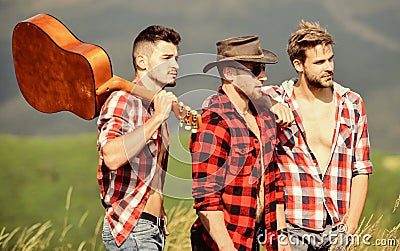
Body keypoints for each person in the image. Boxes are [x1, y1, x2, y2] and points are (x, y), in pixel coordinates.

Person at [262, 20, 373, 250]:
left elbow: (361, 169)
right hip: (292, 226)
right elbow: (236, 93)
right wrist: (269, 103)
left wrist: (350, 228)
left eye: (330, 59)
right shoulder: (277, 98)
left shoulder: (352, 104)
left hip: (337, 227)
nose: (329, 67)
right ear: (298, 65)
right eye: (320, 62)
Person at [190, 35, 293, 251]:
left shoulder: (264, 117)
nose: (263, 77)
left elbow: (273, 184)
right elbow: (206, 199)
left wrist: (281, 237)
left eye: (263, 68)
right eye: (255, 69)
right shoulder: (214, 123)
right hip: (221, 244)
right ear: (229, 73)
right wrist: (227, 248)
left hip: (254, 238)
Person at [97, 25, 180, 250]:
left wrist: (159, 208)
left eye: (176, 58)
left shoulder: (155, 107)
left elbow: (156, 168)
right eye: (167, 58)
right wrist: (156, 120)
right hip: (131, 227)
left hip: (151, 228)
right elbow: (111, 156)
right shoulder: (123, 100)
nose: (176, 65)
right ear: (142, 62)